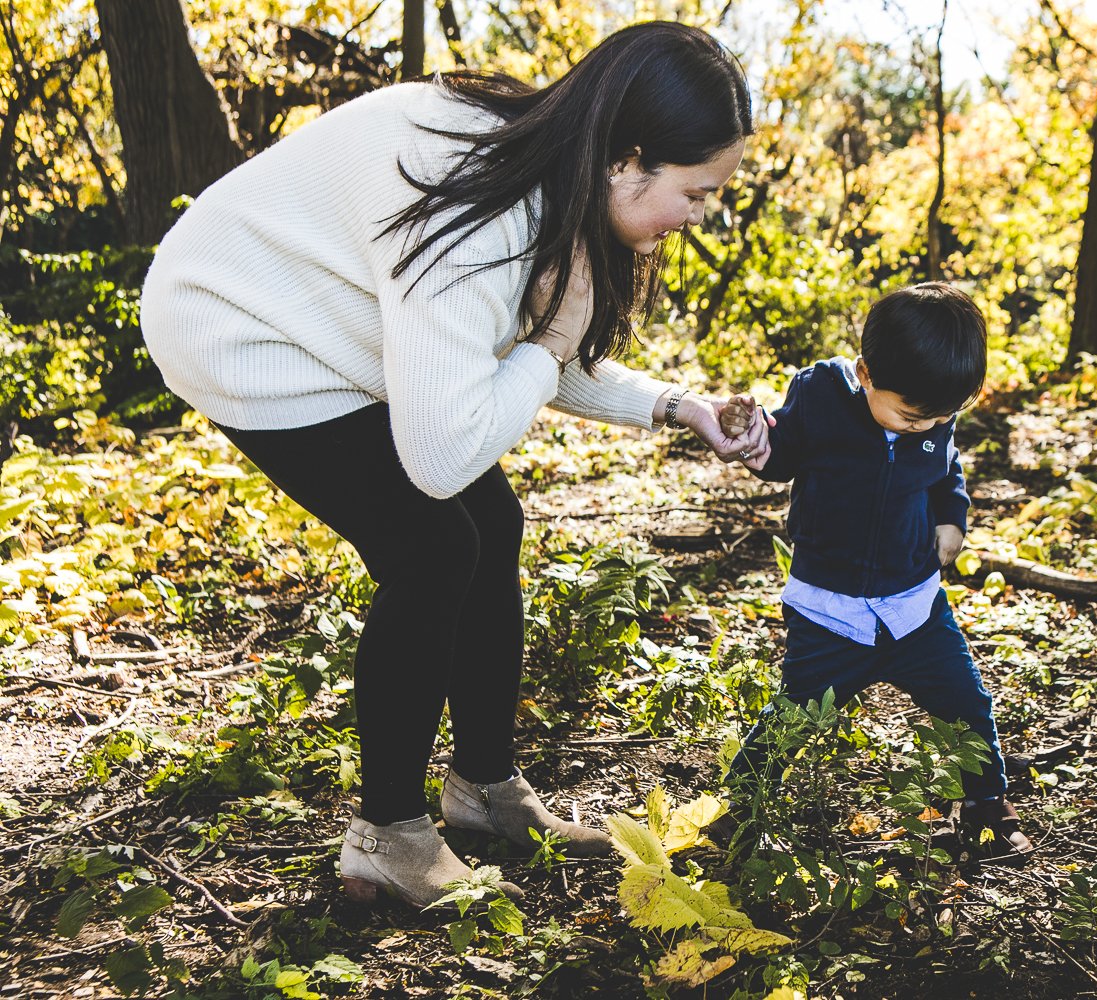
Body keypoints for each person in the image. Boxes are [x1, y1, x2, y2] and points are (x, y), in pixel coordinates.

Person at [140, 21, 770, 908]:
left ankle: (482, 788)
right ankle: (388, 836)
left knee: (493, 521)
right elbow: (446, 450)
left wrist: (676, 405)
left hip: (327, 316)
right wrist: (548, 345)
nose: (699, 216)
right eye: (696, 192)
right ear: (627, 159)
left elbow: (513, 351)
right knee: (432, 546)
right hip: (236, 322)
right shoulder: (479, 207)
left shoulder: (542, 163)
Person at [722, 283, 1031, 856]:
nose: (925, 426)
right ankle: (743, 805)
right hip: (830, 608)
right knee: (796, 713)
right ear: (866, 374)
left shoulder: (933, 415)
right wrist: (751, 435)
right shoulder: (820, 395)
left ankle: (987, 803)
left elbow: (947, 467)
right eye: (911, 415)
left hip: (914, 605)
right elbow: (781, 455)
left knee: (966, 702)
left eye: (941, 417)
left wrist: (952, 517)